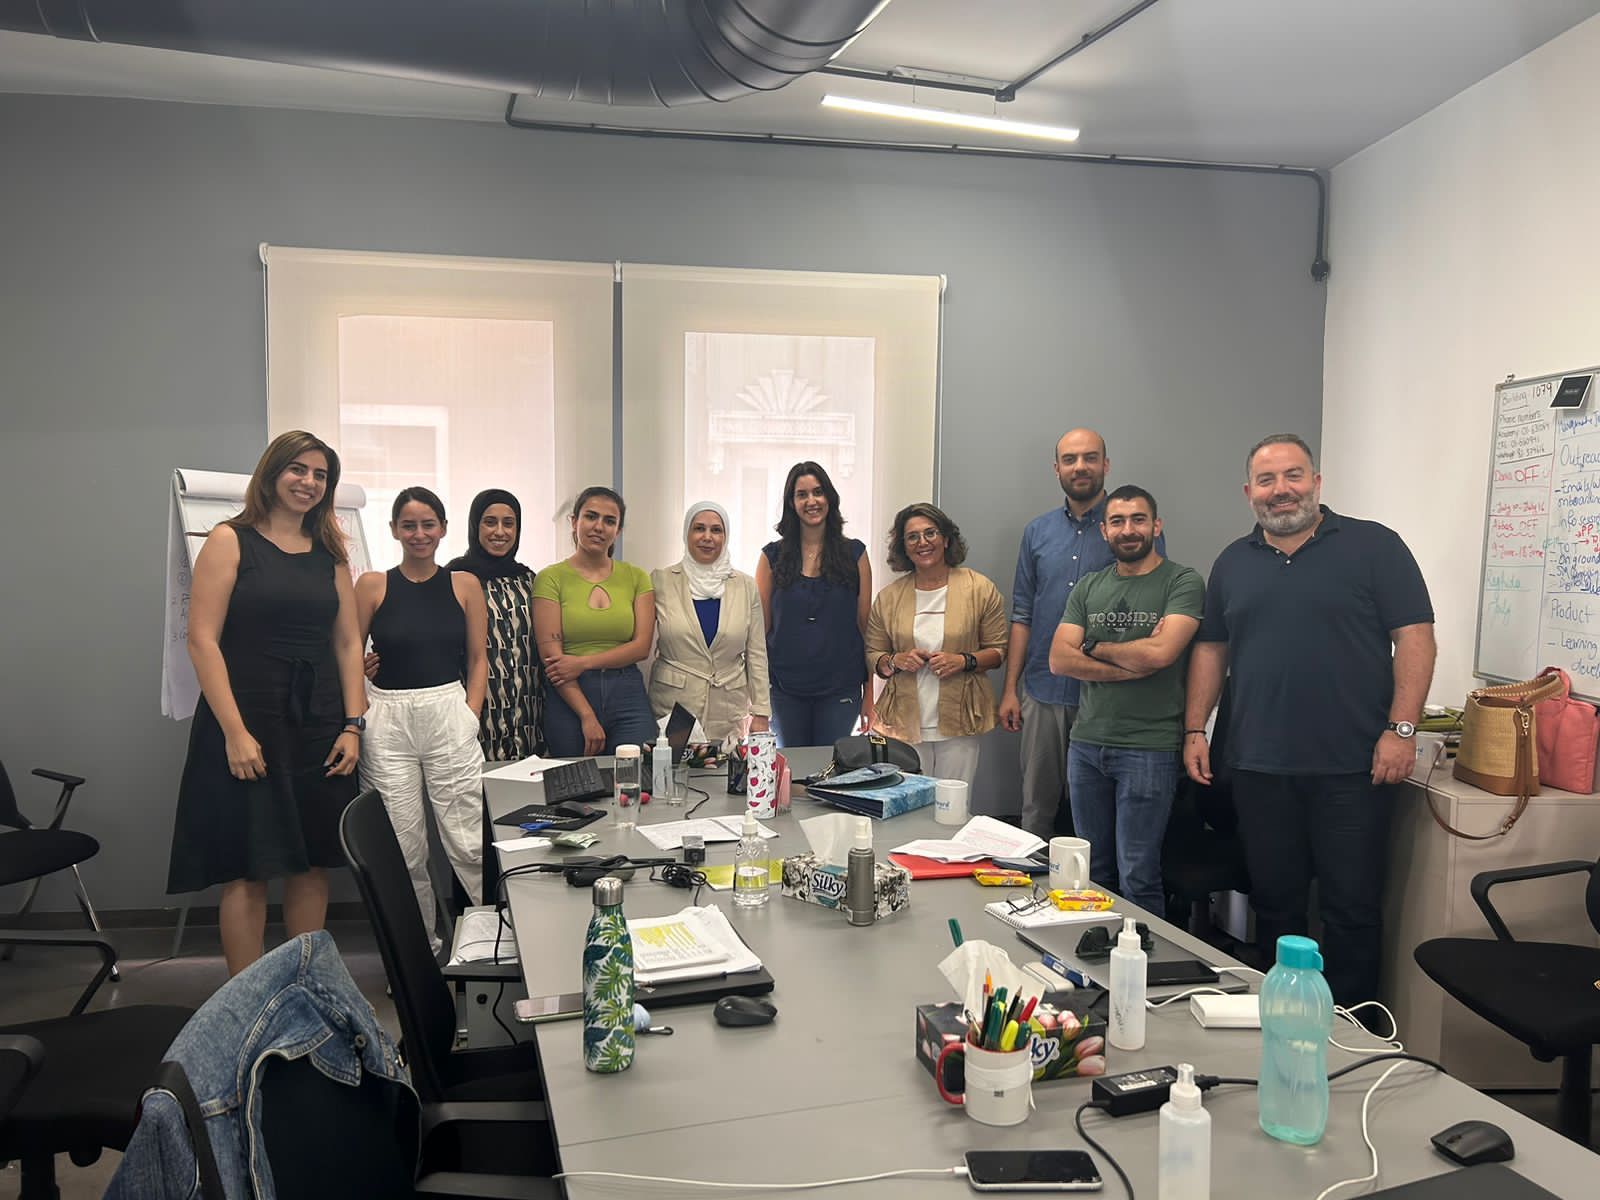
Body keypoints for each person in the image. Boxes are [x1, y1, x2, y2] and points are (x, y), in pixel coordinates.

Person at [1183, 434, 1435, 1006]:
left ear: (1316, 482)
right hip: (1259, 767)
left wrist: (1402, 729)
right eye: (1267, 480)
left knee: (1351, 910)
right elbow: (1212, 649)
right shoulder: (1232, 561)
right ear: (1249, 492)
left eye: (1293, 475)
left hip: (1354, 767)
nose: (1281, 490)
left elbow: (1415, 637)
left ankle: (1355, 1031)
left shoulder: (1375, 546)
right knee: (1276, 907)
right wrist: (1196, 729)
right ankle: (1285, 1019)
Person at [167, 431, 365, 976]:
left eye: (320, 475)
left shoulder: (330, 554)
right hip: (247, 721)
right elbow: (202, 640)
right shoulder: (230, 540)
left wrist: (352, 725)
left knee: (311, 863)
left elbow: (348, 643)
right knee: (248, 867)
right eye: (298, 469)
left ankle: (303, 986)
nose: (309, 482)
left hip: (319, 723)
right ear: (273, 473)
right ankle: (247, 998)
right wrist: (234, 732)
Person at [1000, 429, 1164, 839]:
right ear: (1056, 468)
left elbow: (1153, 601)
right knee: (1036, 808)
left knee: (1095, 813)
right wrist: (1010, 689)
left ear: (1105, 465)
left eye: (1090, 457)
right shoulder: (1037, 532)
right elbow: (1022, 613)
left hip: (1109, 694)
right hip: (1044, 689)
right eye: (1070, 459)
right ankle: (1031, 881)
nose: (1080, 467)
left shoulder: (1130, 529)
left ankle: (1094, 880)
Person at [1048, 486, 1203, 915]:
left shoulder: (1182, 581)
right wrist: (1130, 662)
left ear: (1156, 525)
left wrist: (1092, 647)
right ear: (1104, 531)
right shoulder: (1089, 586)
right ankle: (1096, 948)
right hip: (1086, 745)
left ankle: (1145, 953)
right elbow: (1059, 660)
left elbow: (1161, 654)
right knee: (1091, 873)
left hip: (1148, 747)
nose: (1128, 529)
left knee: (1138, 873)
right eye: (1117, 521)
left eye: (1138, 519)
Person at [355, 487, 489, 952]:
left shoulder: (464, 584)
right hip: (387, 720)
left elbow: (478, 658)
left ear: (443, 529)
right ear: (394, 529)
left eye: (428, 524)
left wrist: (470, 715)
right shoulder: (372, 585)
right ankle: (419, 954)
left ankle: (497, 943)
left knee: (469, 841)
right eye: (408, 525)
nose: (419, 534)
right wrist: (361, 693)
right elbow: (348, 652)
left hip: (448, 712)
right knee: (403, 848)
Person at [864, 503, 1007, 784]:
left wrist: (964, 661)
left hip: (960, 721)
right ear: (904, 547)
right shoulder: (889, 597)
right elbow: (873, 655)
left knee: (953, 802)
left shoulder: (979, 588)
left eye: (930, 533)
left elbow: (999, 651)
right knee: (908, 801)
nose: (922, 542)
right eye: (912, 537)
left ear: (946, 539)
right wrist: (895, 661)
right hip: (903, 722)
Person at [533, 486, 658, 756]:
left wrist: (582, 662)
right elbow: (553, 661)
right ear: (574, 522)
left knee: (637, 774)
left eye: (609, 521)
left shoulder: (637, 577)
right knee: (574, 779)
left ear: (618, 531)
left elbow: (641, 647)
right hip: (571, 695)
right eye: (591, 516)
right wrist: (587, 715)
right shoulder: (550, 578)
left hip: (627, 693)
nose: (599, 527)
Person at [755, 461, 872, 748]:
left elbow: (866, 631)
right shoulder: (771, 557)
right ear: (791, 503)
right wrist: (756, 701)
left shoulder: (855, 555)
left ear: (829, 497)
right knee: (791, 769)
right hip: (784, 690)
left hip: (841, 689)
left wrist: (870, 694)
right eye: (802, 494)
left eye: (818, 492)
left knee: (830, 769)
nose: (811, 501)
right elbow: (759, 634)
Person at [649, 502, 771, 741]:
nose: (707, 537)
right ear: (686, 533)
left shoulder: (745, 586)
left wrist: (761, 712)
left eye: (716, 530)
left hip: (728, 708)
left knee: (724, 765)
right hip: (674, 705)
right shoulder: (660, 581)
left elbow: (757, 653)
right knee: (673, 764)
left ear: (726, 536)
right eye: (699, 528)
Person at [443, 488, 544, 762]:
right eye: (490, 522)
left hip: (527, 711)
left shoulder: (529, 580)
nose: (500, 531)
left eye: (508, 523)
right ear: (475, 525)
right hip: (474, 707)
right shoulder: (454, 578)